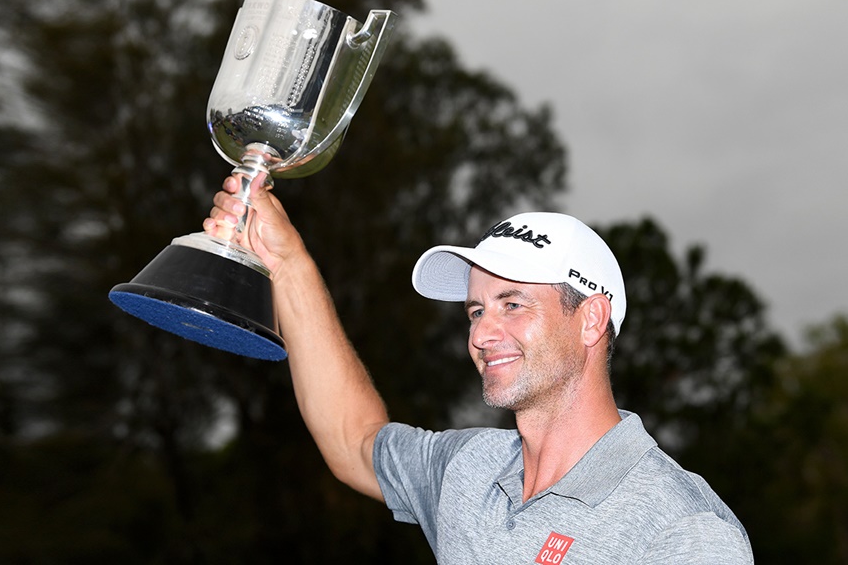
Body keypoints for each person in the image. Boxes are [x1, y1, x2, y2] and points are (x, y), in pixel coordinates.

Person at [204, 170, 755, 564]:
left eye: (512, 304)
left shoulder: (684, 532)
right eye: (475, 309)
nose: (481, 333)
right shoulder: (470, 469)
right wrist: (286, 261)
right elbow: (354, 440)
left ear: (590, 320)